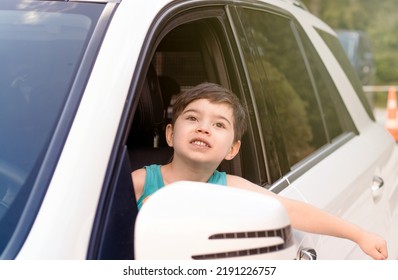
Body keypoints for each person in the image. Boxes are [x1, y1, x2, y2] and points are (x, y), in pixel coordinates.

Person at [131, 82, 388, 260]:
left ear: (232, 149)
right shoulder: (139, 182)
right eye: (192, 118)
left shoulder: (231, 188)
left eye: (219, 124)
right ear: (170, 134)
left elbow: (294, 211)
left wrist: (358, 234)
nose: (203, 128)